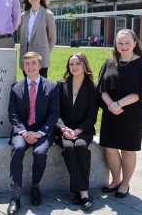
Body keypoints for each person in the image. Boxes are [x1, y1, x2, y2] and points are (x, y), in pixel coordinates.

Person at [97, 29, 142, 198]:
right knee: (110, 147)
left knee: (128, 149)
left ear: (135, 43)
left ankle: (125, 183)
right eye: (119, 43)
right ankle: (116, 180)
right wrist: (110, 104)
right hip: (111, 112)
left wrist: (118, 104)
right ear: (115, 43)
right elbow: (102, 87)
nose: (123, 47)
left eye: (127, 43)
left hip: (132, 112)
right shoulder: (109, 62)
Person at [7, 52, 59, 215]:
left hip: (43, 131)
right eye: (27, 63)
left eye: (34, 63)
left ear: (40, 66)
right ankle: (15, 196)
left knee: (40, 152)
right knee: (17, 150)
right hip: (22, 131)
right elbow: (13, 114)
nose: (30, 66)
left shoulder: (52, 86)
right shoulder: (16, 87)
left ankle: (35, 187)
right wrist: (23, 132)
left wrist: (40, 133)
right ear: (23, 67)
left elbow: (54, 114)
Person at [55, 53, 97, 210]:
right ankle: (84, 194)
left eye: (78, 63)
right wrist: (63, 128)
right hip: (63, 130)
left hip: (83, 130)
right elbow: (55, 112)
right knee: (68, 148)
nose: (74, 67)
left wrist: (77, 131)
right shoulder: (61, 84)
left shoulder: (92, 87)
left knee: (80, 146)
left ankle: (79, 192)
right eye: (71, 64)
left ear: (84, 65)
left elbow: (92, 117)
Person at [19, 0, 56, 78]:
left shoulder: (48, 14)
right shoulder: (23, 15)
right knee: (27, 87)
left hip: (41, 59)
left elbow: (52, 38)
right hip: (26, 57)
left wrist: (45, 51)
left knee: (40, 88)